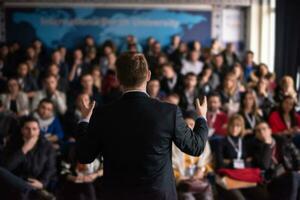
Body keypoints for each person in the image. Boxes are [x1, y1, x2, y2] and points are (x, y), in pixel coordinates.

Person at [75, 52, 208, 200]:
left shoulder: (102, 114)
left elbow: (84, 155)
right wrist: (201, 117)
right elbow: (196, 146)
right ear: (149, 76)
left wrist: (84, 120)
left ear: (118, 78)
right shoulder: (168, 112)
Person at [1, 116, 56, 200]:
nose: (31, 132)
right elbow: (6, 168)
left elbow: (50, 169)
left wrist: (42, 183)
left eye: (34, 129)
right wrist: (24, 149)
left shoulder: (47, 146)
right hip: (16, 182)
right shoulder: (12, 143)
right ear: (22, 130)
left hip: (35, 182)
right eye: (27, 129)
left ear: (39, 130)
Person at [251, 121, 300, 200]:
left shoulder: (282, 141)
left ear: (270, 130)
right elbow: (264, 165)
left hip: (289, 174)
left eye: (264, 129)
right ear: (256, 135)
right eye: (258, 131)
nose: (261, 132)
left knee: (295, 176)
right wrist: (267, 145)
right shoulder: (256, 148)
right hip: (273, 180)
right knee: (294, 176)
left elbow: (296, 154)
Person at [172, 111, 213, 200]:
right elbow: (171, 164)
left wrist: (201, 170)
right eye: (186, 124)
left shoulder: (202, 142)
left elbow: (208, 160)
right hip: (182, 183)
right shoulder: (174, 143)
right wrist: (179, 177)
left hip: (199, 181)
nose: (189, 127)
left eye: (191, 124)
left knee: (207, 197)